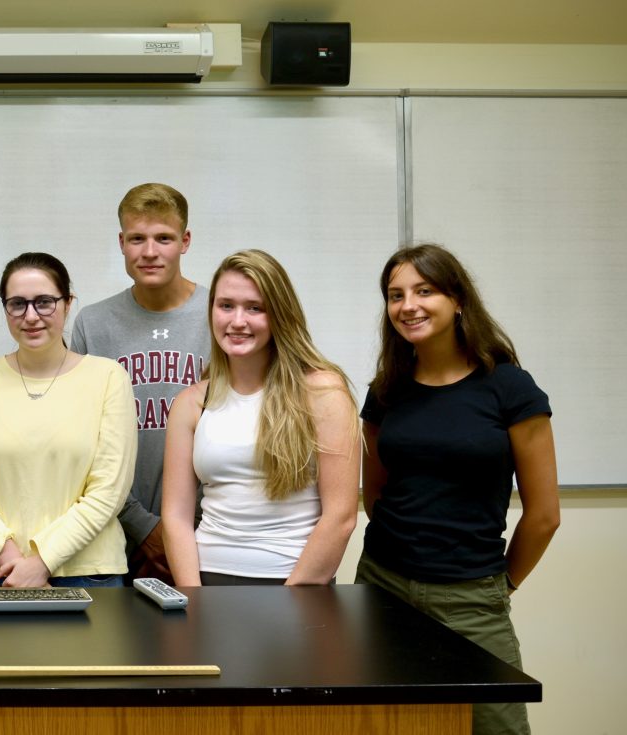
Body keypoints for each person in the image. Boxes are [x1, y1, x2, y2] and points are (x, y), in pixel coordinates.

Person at [357, 244, 559, 735]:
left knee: (498, 729)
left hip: (472, 599)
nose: (409, 305)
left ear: (458, 300)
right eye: (396, 295)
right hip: (384, 589)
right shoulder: (387, 389)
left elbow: (544, 514)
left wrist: (500, 586)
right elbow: (374, 491)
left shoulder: (509, 388)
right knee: (386, 727)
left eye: (425, 291)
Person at [160, 250, 358, 586]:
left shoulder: (322, 392)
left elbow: (340, 517)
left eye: (255, 308)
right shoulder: (191, 403)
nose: (238, 321)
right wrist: (194, 598)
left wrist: (292, 600)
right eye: (226, 306)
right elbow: (176, 516)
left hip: (295, 583)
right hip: (209, 581)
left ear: (279, 314)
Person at [0, 253, 137, 588]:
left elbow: (109, 488)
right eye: (17, 304)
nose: (31, 316)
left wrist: (42, 562)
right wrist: (13, 562)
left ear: (68, 303)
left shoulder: (108, 377)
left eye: (45, 302)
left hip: (87, 573)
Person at [69, 183, 209, 584]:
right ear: (121, 243)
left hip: (210, 533)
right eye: (137, 239)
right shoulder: (93, 324)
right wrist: (144, 527)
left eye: (163, 238)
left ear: (185, 241)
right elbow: (83, 442)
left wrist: (182, 532)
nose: (150, 252)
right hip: (115, 537)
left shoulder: (223, 315)